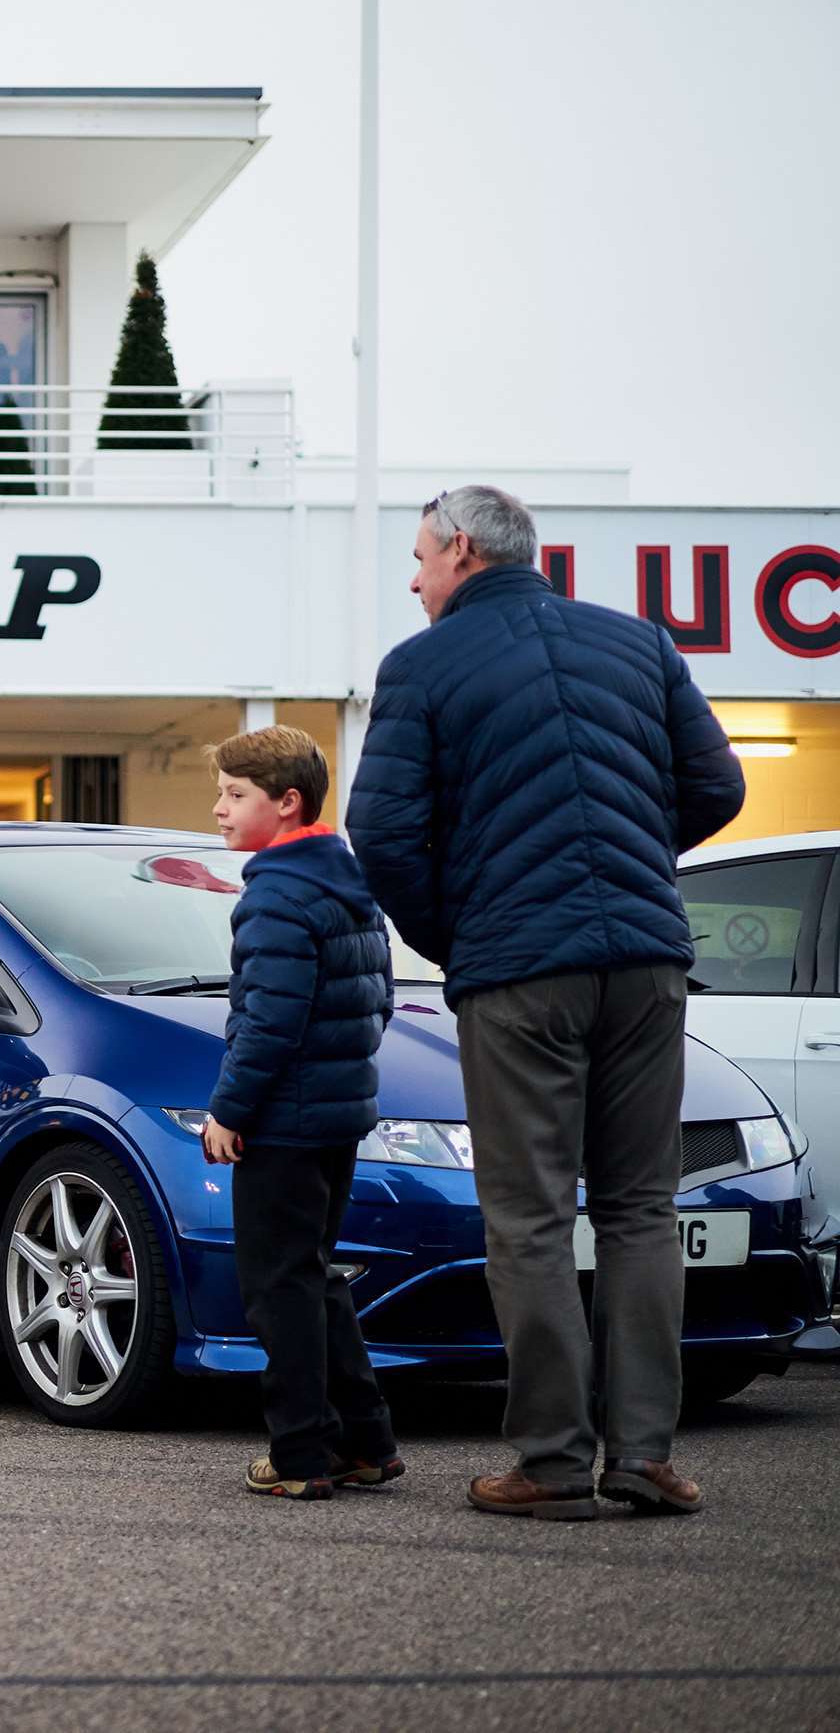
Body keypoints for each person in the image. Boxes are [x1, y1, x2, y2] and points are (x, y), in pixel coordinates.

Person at [350, 485, 746, 1520]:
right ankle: (646, 1457)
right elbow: (716, 790)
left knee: (525, 1218)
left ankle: (551, 1462)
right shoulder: (637, 642)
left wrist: (463, 930)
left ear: (465, 554)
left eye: (420, 556)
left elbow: (384, 834)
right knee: (638, 1210)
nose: (412, 576)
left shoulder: (420, 665)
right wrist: (621, 868)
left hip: (520, 971)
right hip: (647, 962)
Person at [202, 726, 399, 1501]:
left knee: (279, 1287)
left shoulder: (278, 893)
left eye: (235, 794)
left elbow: (269, 1022)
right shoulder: (346, 880)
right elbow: (376, 1001)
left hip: (282, 1119)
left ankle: (300, 1457)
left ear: (287, 803)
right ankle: (367, 1444)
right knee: (315, 1278)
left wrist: (229, 1109)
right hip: (338, 1114)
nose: (218, 809)